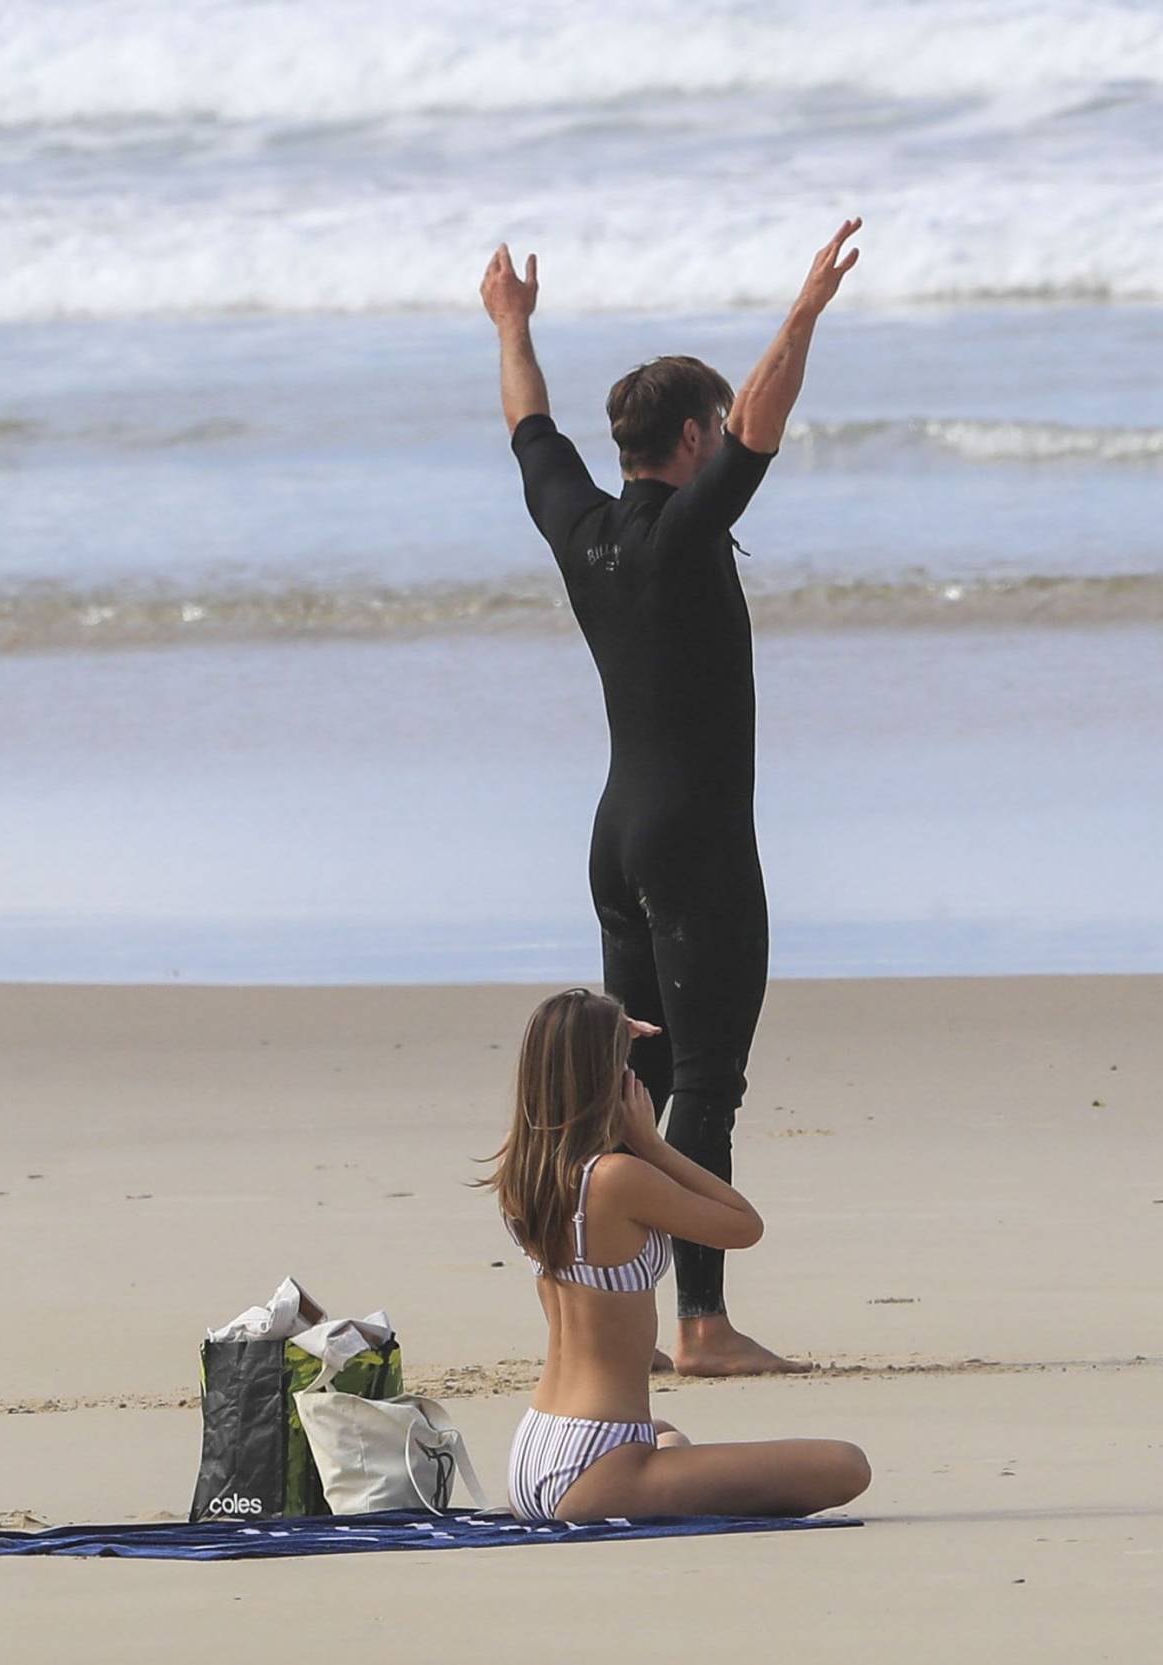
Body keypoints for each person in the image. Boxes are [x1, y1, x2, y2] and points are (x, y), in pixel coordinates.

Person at [479, 220, 862, 1376]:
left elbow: (525, 427)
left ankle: (609, 1321)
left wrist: (509, 322)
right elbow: (763, 420)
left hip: (615, 839)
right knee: (702, 1084)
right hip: (694, 842)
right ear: (688, 440)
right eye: (713, 435)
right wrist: (802, 313)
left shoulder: (581, 527)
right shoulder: (688, 534)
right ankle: (700, 1323)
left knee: (625, 1090)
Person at [482, 987, 869, 1523]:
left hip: (536, 1452)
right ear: (609, 1080)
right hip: (597, 1466)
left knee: (666, 1434)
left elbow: (560, 1052)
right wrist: (653, 1144)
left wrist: (609, 1028)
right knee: (846, 1465)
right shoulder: (619, 1179)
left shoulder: (527, 1176)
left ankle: (664, 1475)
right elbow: (743, 1225)